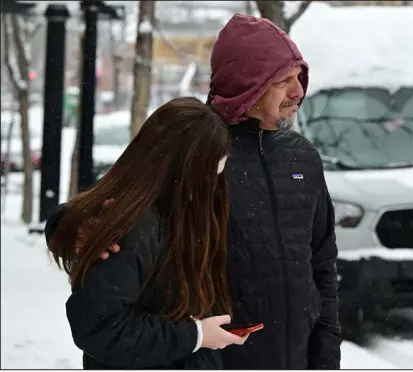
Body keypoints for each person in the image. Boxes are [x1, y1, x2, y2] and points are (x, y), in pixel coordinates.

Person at [46, 13, 342, 370]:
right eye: (283, 81)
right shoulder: (195, 148)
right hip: (207, 357)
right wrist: (77, 226)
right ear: (248, 84)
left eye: (300, 78)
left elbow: (322, 266)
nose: (298, 92)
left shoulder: (302, 158)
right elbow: (123, 198)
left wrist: (325, 357)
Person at [46, 97, 249, 370]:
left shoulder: (178, 210)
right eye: (213, 171)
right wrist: (195, 336)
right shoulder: (136, 226)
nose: (215, 184)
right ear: (186, 168)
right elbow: (102, 327)